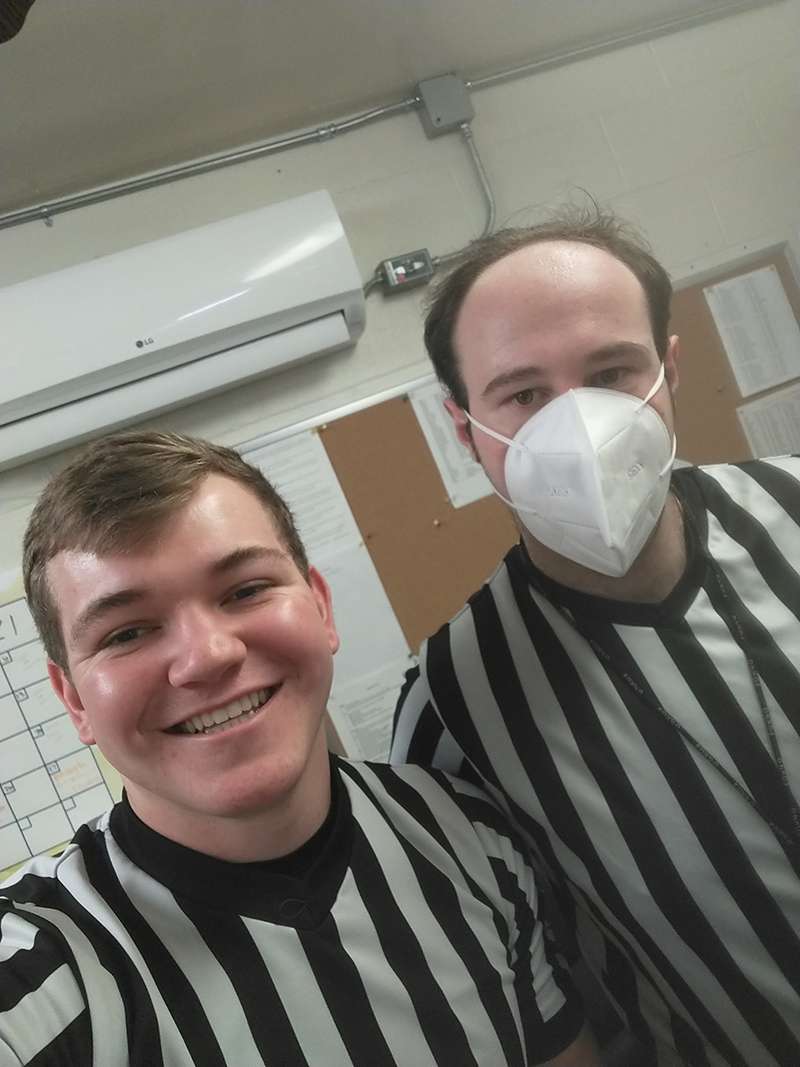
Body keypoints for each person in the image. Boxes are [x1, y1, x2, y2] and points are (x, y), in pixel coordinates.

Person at [0, 430, 597, 1067]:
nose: (207, 656)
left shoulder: (471, 834)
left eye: (244, 590)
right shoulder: (37, 971)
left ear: (320, 606)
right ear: (74, 700)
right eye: (128, 631)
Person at [390, 208, 800, 1067]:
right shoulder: (455, 702)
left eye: (612, 371)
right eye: (524, 394)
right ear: (466, 430)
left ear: (669, 373)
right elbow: (520, 977)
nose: (578, 427)